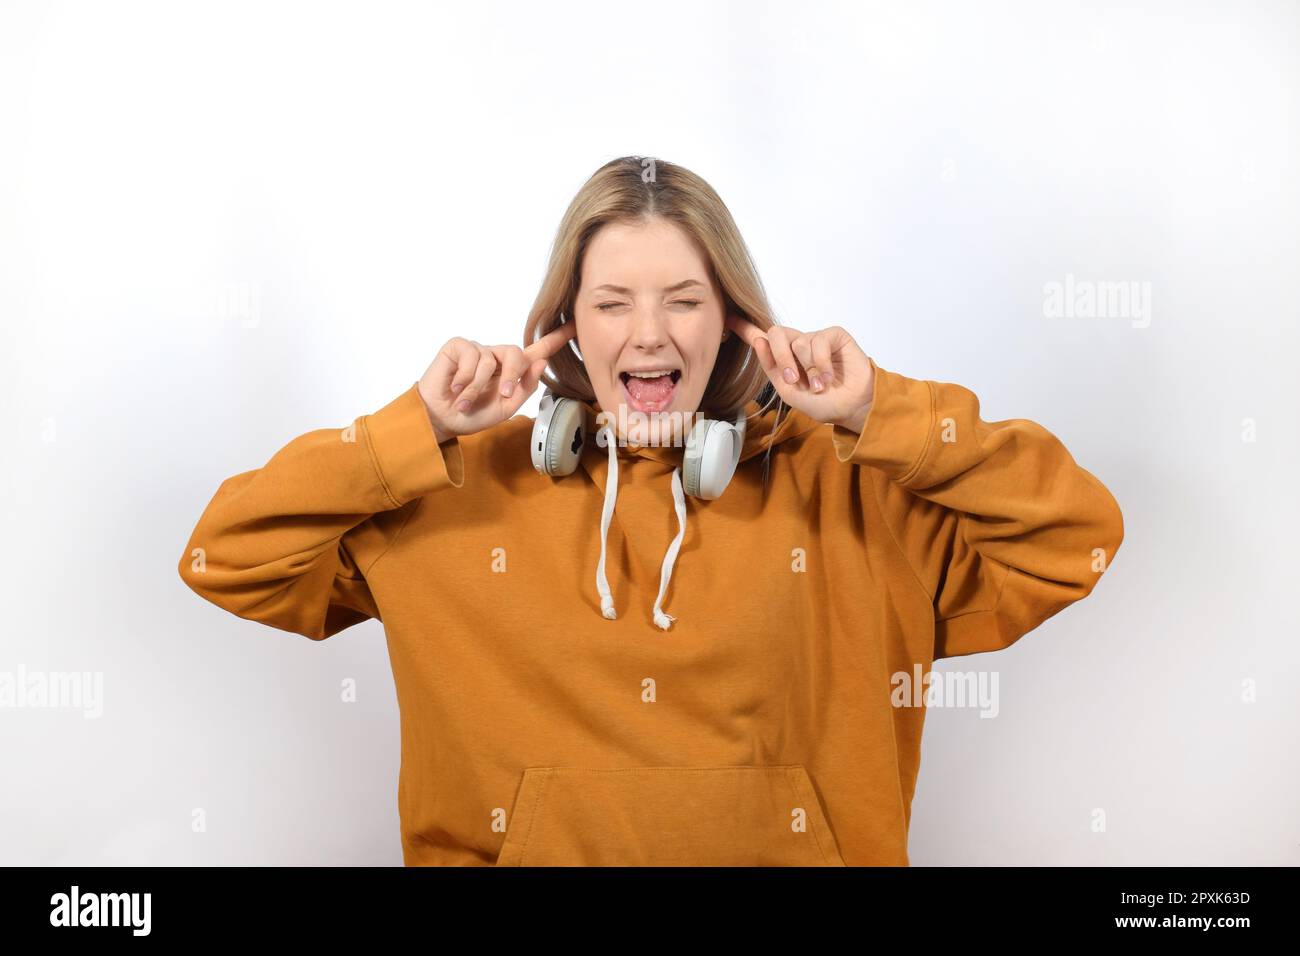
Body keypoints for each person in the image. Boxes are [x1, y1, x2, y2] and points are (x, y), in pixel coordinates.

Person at [178, 156, 1124, 866]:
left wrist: (885, 412)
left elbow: (1075, 538)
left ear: (736, 322)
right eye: (612, 303)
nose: (648, 334)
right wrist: (412, 430)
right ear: (566, 330)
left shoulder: (857, 488)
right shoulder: (449, 487)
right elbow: (226, 556)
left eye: (684, 300)